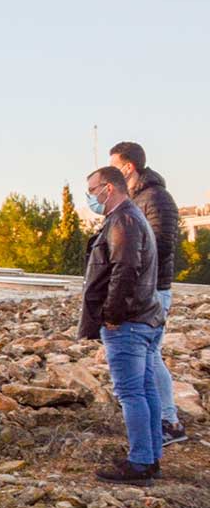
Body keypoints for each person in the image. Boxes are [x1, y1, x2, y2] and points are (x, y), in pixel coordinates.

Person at [79, 166, 166, 486]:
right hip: (144, 317)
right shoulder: (130, 217)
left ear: (109, 188)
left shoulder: (124, 221)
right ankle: (150, 456)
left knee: (132, 392)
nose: (90, 197)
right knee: (145, 389)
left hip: (129, 322)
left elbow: (125, 270)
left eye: (92, 190)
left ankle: (141, 462)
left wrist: (112, 315)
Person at [109, 141, 186, 445]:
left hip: (152, 291)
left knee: (149, 356)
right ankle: (161, 421)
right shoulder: (138, 198)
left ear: (127, 167)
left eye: (113, 165)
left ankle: (168, 422)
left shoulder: (155, 198)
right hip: (145, 289)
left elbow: (161, 244)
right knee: (148, 356)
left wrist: (129, 266)